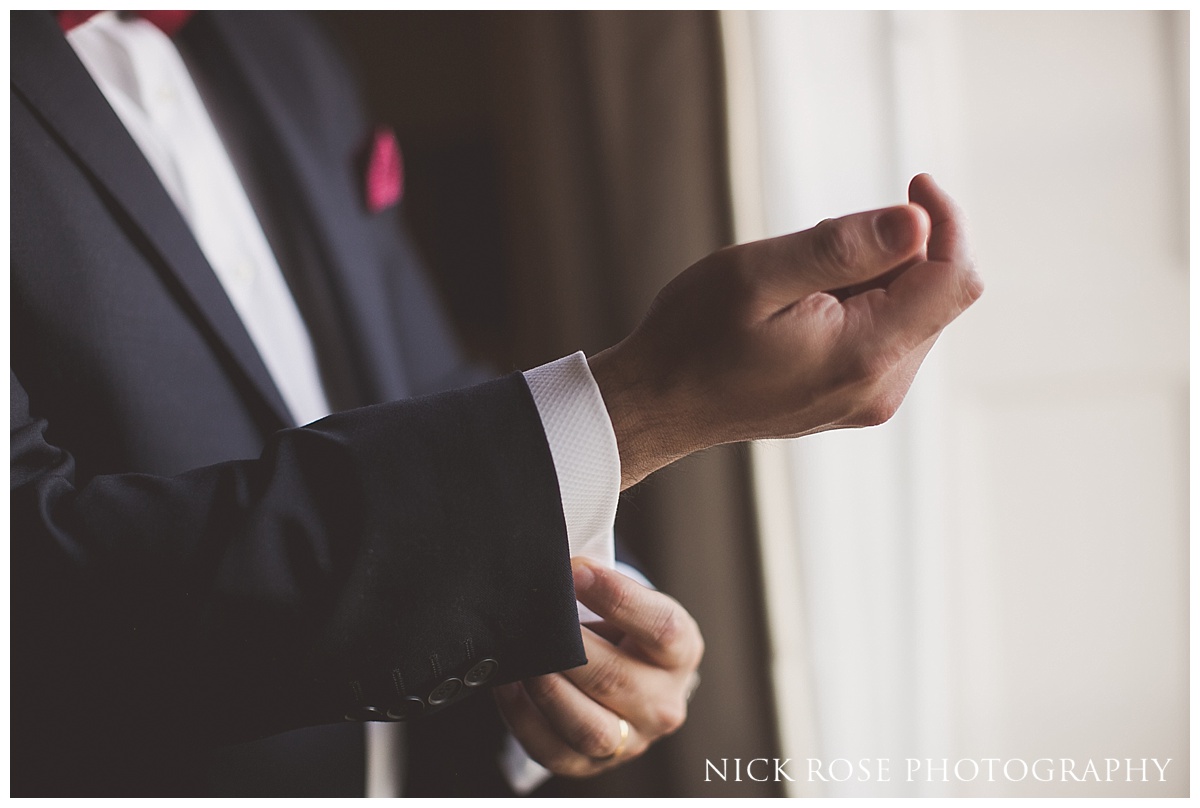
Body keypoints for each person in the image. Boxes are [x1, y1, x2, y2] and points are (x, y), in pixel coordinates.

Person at [10, 10, 982, 797]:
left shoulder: (281, 42)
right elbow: (43, 599)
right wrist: (640, 405)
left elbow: (419, 383)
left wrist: (580, 622)